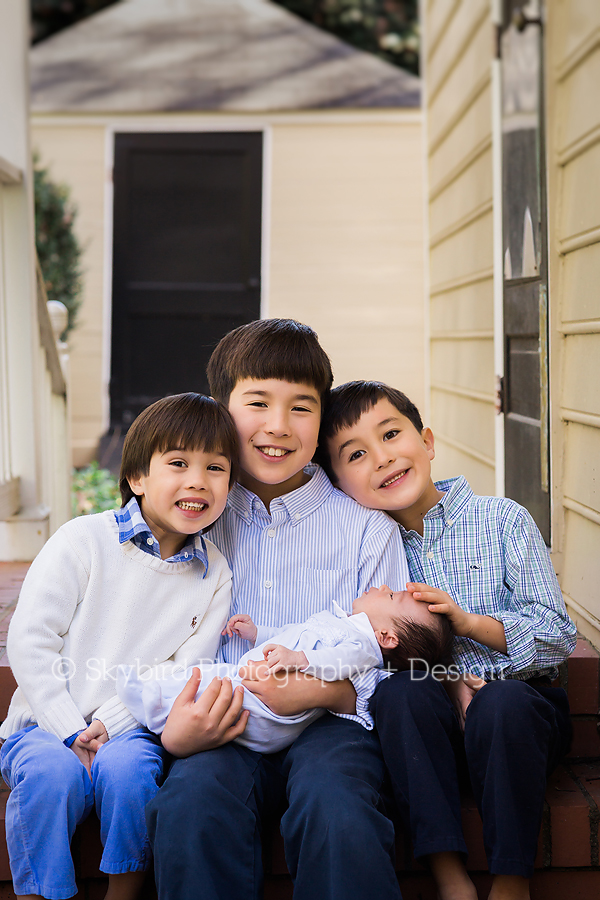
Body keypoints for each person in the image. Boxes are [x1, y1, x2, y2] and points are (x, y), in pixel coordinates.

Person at [146, 319, 410, 900]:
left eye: (301, 408)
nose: (278, 427)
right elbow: (148, 638)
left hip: (330, 725)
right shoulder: (194, 517)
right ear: (221, 407)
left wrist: (324, 693)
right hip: (221, 721)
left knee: (341, 812)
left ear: (322, 419)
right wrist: (175, 733)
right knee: (192, 811)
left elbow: (387, 660)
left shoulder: (366, 531)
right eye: (258, 402)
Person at [318, 380, 577, 900]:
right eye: (357, 454)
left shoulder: (502, 520)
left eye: (392, 434)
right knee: (401, 692)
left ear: (428, 442)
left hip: (517, 723)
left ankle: (510, 882)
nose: (384, 458)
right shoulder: (368, 549)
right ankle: (449, 878)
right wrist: (449, 677)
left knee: (503, 704)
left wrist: (469, 622)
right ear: (340, 484)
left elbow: (557, 636)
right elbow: (363, 650)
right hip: (424, 737)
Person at [0, 393, 242, 900]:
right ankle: (41, 894)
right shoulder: (83, 541)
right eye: (178, 463)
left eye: (215, 468)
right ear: (137, 478)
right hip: (45, 724)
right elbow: (30, 640)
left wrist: (110, 724)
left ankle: (122, 891)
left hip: (132, 728)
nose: (197, 479)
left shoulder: (214, 572)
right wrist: (71, 729)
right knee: (48, 777)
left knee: (131, 775)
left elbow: (184, 668)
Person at [118, 586, 454, 753]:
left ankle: (145, 701)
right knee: (209, 681)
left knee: (208, 685)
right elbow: (291, 634)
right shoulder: (341, 626)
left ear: (387, 637)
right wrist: (257, 633)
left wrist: (300, 662)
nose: (382, 587)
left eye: (392, 596)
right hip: (258, 689)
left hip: (271, 712)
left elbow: (339, 663)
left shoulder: (362, 647)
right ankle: (152, 705)